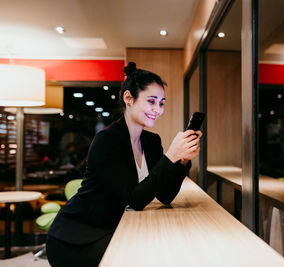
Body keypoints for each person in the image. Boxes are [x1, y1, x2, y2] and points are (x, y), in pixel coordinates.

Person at [46, 62, 202, 267]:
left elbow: (165, 195)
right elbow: (135, 199)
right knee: (143, 257)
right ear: (129, 98)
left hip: (112, 227)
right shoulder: (107, 140)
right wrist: (171, 155)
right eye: (152, 101)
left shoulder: (152, 141)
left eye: (162, 103)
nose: (158, 110)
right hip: (77, 235)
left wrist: (182, 160)